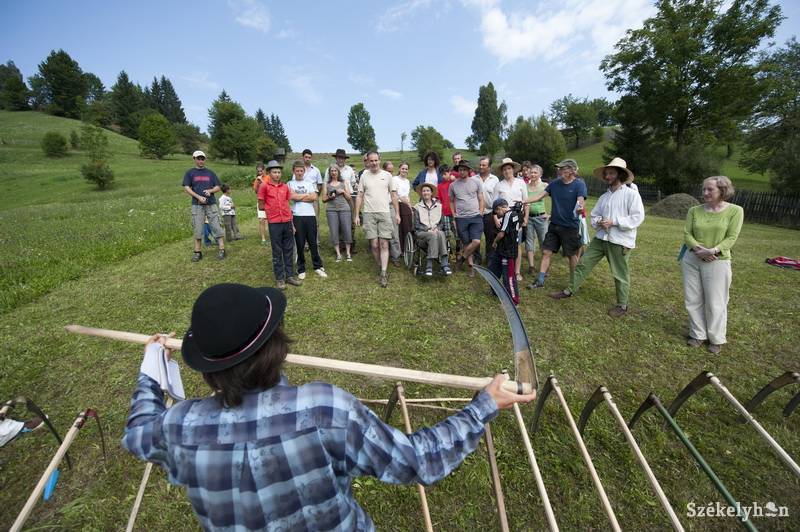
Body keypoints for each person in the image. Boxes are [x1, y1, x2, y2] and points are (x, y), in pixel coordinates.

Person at [122, 283, 536, 531]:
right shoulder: (322, 410)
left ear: (208, 366)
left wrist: (150, 374)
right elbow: (416, 461)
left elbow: (137, 434)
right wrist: (483, 406)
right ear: (277, 346)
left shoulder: (179, 426)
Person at [549, 158, 645, 317]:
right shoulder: (604, 197)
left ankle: (622, 305)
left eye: (611, 173)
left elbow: (637, 217)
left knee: (619, 273)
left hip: (619, 241)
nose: (607, 176)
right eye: (606, 174)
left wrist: (614, 222)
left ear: (620, 175)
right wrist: (599, 221)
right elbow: (594, 215)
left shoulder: (631, 195)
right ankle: (569, 290)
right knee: (583, 264)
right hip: (601, 239)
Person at [681, 176, 743, 354]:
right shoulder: (694, 210)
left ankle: (716, 338)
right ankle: (697, 334)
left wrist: (712, 250)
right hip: (692, 258)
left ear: (722, 191)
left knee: (716, 301)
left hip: (717, 260)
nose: (705, 192)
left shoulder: (735, 211)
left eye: (710, 189)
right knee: (692, 298)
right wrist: (698, 250)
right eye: (704, 189)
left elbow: (732, 237)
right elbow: (687, 234)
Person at [526, 159, 587, 289]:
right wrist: (522, 201)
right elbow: (539, 196)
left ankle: (574, 282)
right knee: (546, 252)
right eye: (559, 168)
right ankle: (540, 280)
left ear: (571, 170)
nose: (559, 171)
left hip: (570, 227)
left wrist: (580, 207)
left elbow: (580, 201)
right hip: (554, 225)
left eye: (563, 168)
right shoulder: (554, 184)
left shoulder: (579, 185)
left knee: (571, 255)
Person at [354, 151, 400, 288]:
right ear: (368, 161)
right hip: (369, 213)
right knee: (374, 245)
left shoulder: (387, 176)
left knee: (384, 244)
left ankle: (384, 273)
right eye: (371, 161)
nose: (374, 163)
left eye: (376, 160)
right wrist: (356, 215)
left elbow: (393, 195)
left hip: (385, 212)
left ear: (379, 160)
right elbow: (360, 196)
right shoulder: (364, 176)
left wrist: (397, 213)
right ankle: (380, 265)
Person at [257, 160, 302, 290]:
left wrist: (291, 223)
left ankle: (290, 276)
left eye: (279, 172)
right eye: (274, 172)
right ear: (269, 173)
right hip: (274, 222)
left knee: (288, 249)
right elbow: (261, 204)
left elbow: (287, 204)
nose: (277, 174)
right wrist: (271, 212)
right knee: (277, 251)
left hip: (287, 221)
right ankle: (280, 278)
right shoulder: (264, 186)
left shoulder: (285, 187)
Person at [182, 150, 225, 261]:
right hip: (197, 205)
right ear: (194, 159)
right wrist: (198, 197)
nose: (201, 161)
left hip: (211, 204)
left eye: (202, 159)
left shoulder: (210, 173)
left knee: (216, 225)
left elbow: (218, 186)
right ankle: (197, 252)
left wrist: (210, 191)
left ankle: (222, 249)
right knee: (198, 228)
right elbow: (186, 187)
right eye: (198, 158)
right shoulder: (190, 173)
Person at [288, 161, 327, 280]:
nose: (299, 173)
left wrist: (299, 197)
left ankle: (317, 266)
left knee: (313, 242)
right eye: (297, 171)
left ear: (304, 171)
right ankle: (301, 268)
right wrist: (306, 196)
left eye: (301, 171)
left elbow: (314, 197)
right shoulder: (289, 183)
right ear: (293, 171)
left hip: (310, 215)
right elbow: (292, 197)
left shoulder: (309, 183)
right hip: (297, 215)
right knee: (299, 242)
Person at [494, 158, 529, 282]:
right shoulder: (499, 185)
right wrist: (495, 219)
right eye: (504, 169)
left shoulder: (521, 183)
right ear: (502, 171)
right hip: (503, 217)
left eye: (509, 168)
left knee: (516, 244)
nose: (507, 171)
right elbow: (495, 205)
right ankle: (504, 270)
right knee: (503, 244)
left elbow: (526, 202)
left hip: (517, 217)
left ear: (513, 169)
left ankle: (517, 271)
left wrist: (526, 218)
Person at [449, 160, 485, 278]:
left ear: (469, 170)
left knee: (476, 241)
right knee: (466, 243)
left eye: (464, 169)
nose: (462, 172)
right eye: (460, 170)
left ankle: (461, 258)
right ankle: (471, 267)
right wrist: (454, 215)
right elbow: (451, 201)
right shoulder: (453, 185)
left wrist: (480, 212)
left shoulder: (476, 182)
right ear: (458, 171)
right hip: (461, 218)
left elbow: (481, 198)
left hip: (475, 216)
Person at [413, 183, 452, 276]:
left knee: (441, 233)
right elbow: (416, 225)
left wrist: (437, 228)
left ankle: (444, 264)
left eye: (428, 191)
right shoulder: (417, 207)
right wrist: (427, 229)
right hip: (422, 234)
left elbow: (442, 223)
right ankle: (429, 265)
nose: (426, 192)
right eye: (424, 191)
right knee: (433, 234)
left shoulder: (439, 206)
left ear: (431, 193)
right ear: (421, 193)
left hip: (436, 232)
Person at [489, 198, 522, 304]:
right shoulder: (515, 213)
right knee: (494, 270)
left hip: (508, 251)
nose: (497, 215)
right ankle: (494, 291)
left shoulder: (508, 215)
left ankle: (513, 300)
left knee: (509, 277)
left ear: (499, 208)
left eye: (496, 212)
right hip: (502, 249)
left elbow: (502, 233)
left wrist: (494, 241)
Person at [326, 149, 359, 255]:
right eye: (339, 157)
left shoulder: (349, 169)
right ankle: (340, 245)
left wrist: (347, 192)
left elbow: (353, 183)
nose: (340, 159)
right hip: (335, 198)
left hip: (349, 197)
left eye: (342, 158)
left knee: (351, 221)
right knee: (337, 222)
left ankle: (351, 243)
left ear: (345, 159)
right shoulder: (330, 169)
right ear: (336, 158)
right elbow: (327, 183)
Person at [322, 165, 353, 262]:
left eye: (335, 171)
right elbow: (323, 199)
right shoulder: (326, 184)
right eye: (332, 171)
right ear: (329, 173)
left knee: (347, 230)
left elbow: (349, 198)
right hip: (331, 210)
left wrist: (343, 191)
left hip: (344, 209)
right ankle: (338, 254)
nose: (333, 172)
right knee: (334, 231)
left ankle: (348, 253)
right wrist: (330, 197)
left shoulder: (344, 183)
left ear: (338, 172)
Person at [523, 162, 549, 274]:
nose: (533, 174)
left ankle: (545, 268)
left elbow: (557, 198)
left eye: (535, 172)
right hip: (528, 217)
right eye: (531, 172)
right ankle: (531, 266)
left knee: (543, 241)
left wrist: (551, 214)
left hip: (541, 218)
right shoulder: (525, 186)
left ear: (540, 174)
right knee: (529, 241)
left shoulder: (545, 186)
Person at [477, 156, 499, 264]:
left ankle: (489, 259)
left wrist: (495, 214)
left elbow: (496, 197)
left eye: (484, 165)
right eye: (480, 165)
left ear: (489, 167)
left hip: (489, 213)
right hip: (476, 213)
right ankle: (477, 259)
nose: (481, 167)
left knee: (490, 237)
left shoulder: (495, 180)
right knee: (476, 237)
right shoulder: (474, 179)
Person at [383, 161, 402, 266]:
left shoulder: (394, 181)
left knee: (394, 233)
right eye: (388, 171)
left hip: (391, 206)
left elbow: (396, 196)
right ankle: (383, 254)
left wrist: (397, 213)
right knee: (382, 233)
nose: (390, 173)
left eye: (392, 171)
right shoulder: (380, 180)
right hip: (381, 208)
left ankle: (395, 256)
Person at [394, 162, 414, 255]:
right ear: (399, 169)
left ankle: (408, 246)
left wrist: (410, 205)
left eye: (406, 169)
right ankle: (401, 249)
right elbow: (399, 195)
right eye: (403, 168)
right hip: (399, 204)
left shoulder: (407, 181)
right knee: (402, 228)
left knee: (408, 226)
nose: (404, 170)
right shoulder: (395, 179)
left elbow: (407, 195)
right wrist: (408, 205)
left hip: (406, 204)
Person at [253, 163, 269, 245]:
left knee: (270, 220)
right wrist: (257, 183)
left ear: (264, 170)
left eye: (261, 171)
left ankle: (273, 236)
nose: (260, 173)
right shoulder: (257, 179)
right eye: (258, 171)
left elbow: (269, 188)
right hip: (261, 201)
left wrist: (262, 181)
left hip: (269, 201)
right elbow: (256, 191)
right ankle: (263, 239)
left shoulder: (268, 177)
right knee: (261, 220)